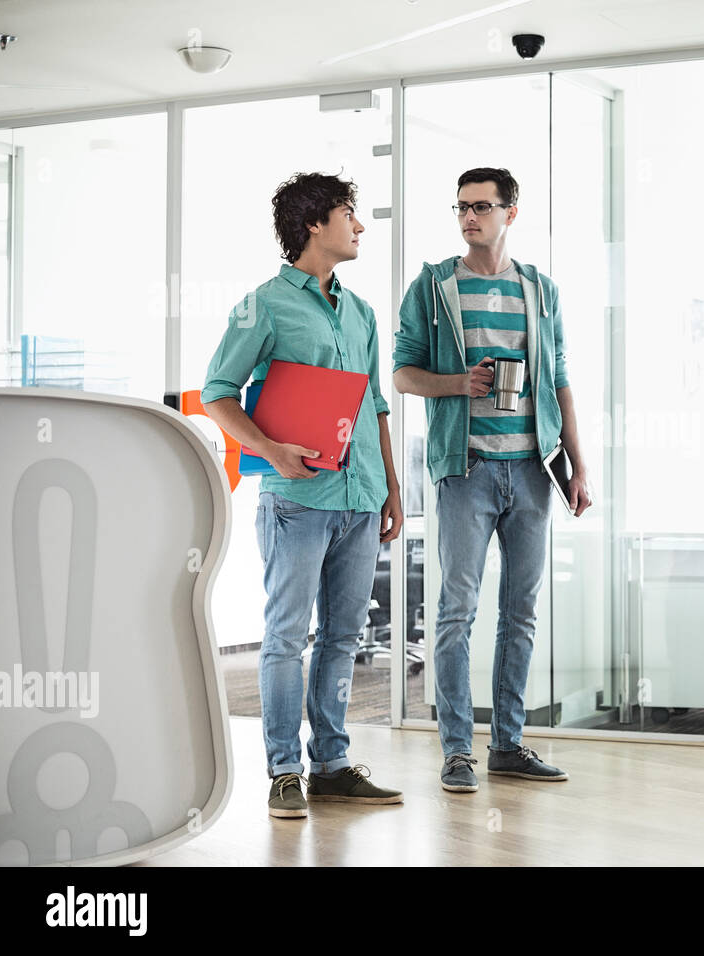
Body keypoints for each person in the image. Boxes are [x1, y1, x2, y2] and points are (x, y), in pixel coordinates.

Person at [201, 172, 404, 818]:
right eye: (351, 213)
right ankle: (285, 770)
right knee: (288, 635)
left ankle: (334, 765)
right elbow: (217, 393)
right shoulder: (263, 305)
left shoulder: (363, 312)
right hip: (297, 502)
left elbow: (375, 408)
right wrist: (268, 451)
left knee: (344, 636)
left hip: (361, 497)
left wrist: (392, 490)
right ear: (314, 223)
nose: (360, 226)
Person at [393, 167, 591, 793]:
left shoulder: (540, 289)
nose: (468, 217)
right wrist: (459, 384)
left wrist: (578, 461)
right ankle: (457, 751)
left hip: (533, 470)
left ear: (511, 212)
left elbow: (558, 375)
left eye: (480, 206)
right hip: (466, 471)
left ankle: (508, 744)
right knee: (455, 612)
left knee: (522, 612)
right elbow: (401, 374)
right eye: (460, 208)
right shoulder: (433, 288)